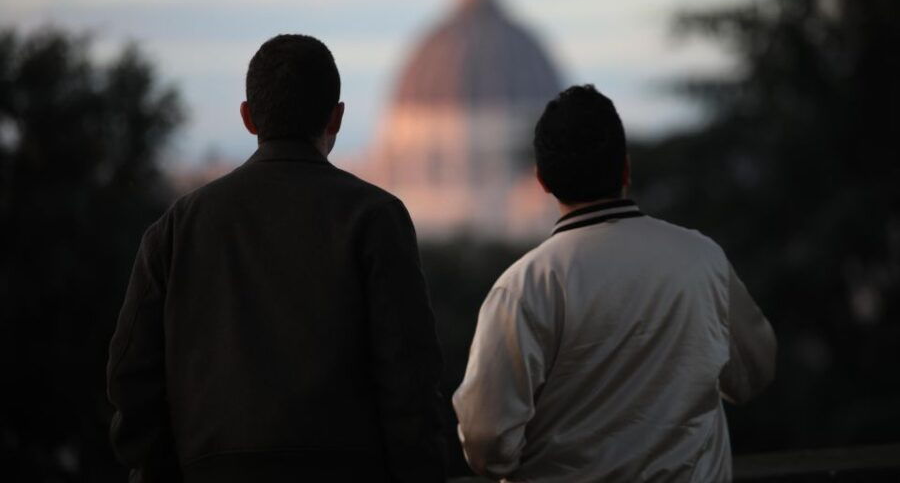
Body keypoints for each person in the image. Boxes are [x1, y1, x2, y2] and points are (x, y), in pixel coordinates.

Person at [107, 34, 446, 482]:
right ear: (337, 118)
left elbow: (133, 378)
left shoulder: (178, 226)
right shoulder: (376, 219)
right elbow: (411, 381)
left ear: (247, 117)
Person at [453, 85, 776, 482]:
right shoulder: (702, 258)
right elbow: (753, 373)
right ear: (625, 168)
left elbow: (486, 439)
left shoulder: (525, 286)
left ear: (542, 181)